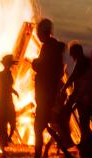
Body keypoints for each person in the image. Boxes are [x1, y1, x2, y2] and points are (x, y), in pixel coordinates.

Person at [31, 18, 72, 158]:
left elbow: (43, 67)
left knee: (39, 127)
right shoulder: (53, 47)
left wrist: (35, 63)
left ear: (43, 32)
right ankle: (62, 150)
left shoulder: (49, 47)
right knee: (52, 126)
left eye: (39, 32)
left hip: (46, 96)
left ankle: (39, 155)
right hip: (50, 95)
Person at [0, 54, 19, 151]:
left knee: (12, 123)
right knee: (3, 125)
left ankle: (7, 140)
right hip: (4, 101)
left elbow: (7, 87)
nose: (9, 66)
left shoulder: (7, 74)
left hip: (7, 100)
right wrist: (13, 91)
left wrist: (13, 91)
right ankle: (3, 145)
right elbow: (4, 87)